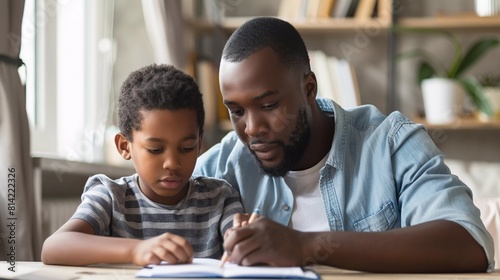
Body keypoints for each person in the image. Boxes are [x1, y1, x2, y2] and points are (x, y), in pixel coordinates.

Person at [193, 17, 495, 273]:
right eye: (236, 111)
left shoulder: (391, 144)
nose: (252, 128)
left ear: (308, 87)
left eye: (269, 105)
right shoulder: (222, 166)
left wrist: (304, 245)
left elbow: (469, 244)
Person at [41, 64, 243, 266]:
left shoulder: (220, 198)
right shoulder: (111, 197)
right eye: (155, 149)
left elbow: (240, 243)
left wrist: (245, 242)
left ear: (199, 144)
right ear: (124, 146)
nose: (172, 164)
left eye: (186, 148)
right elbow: (54, 248)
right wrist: (136, 249)